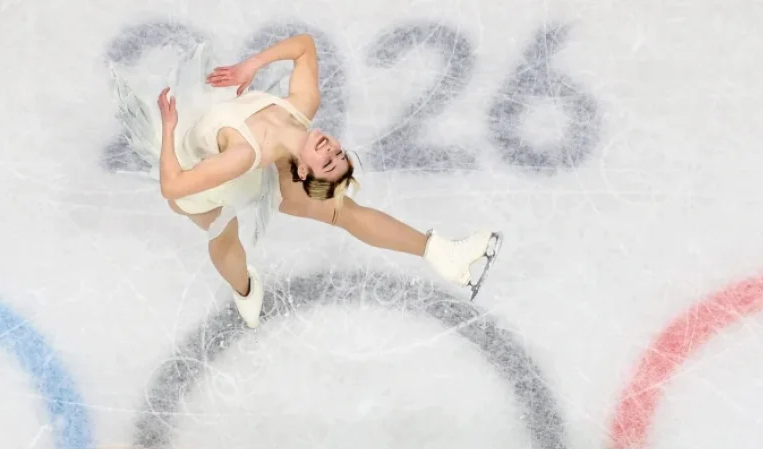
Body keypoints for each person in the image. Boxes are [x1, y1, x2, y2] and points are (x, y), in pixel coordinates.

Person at [111, 33, 501, 328]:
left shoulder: (243, 154)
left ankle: (244, 287)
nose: (331, 149)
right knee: (331, 211)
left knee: (224, 232)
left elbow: (173, 187)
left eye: (326, 162)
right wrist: (253, 65)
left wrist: (168, 128)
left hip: (201, 176)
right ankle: (440, 253)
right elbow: (304, 46)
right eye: (337, 153)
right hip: (237, 149)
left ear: (301, 170)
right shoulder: (301, 107)